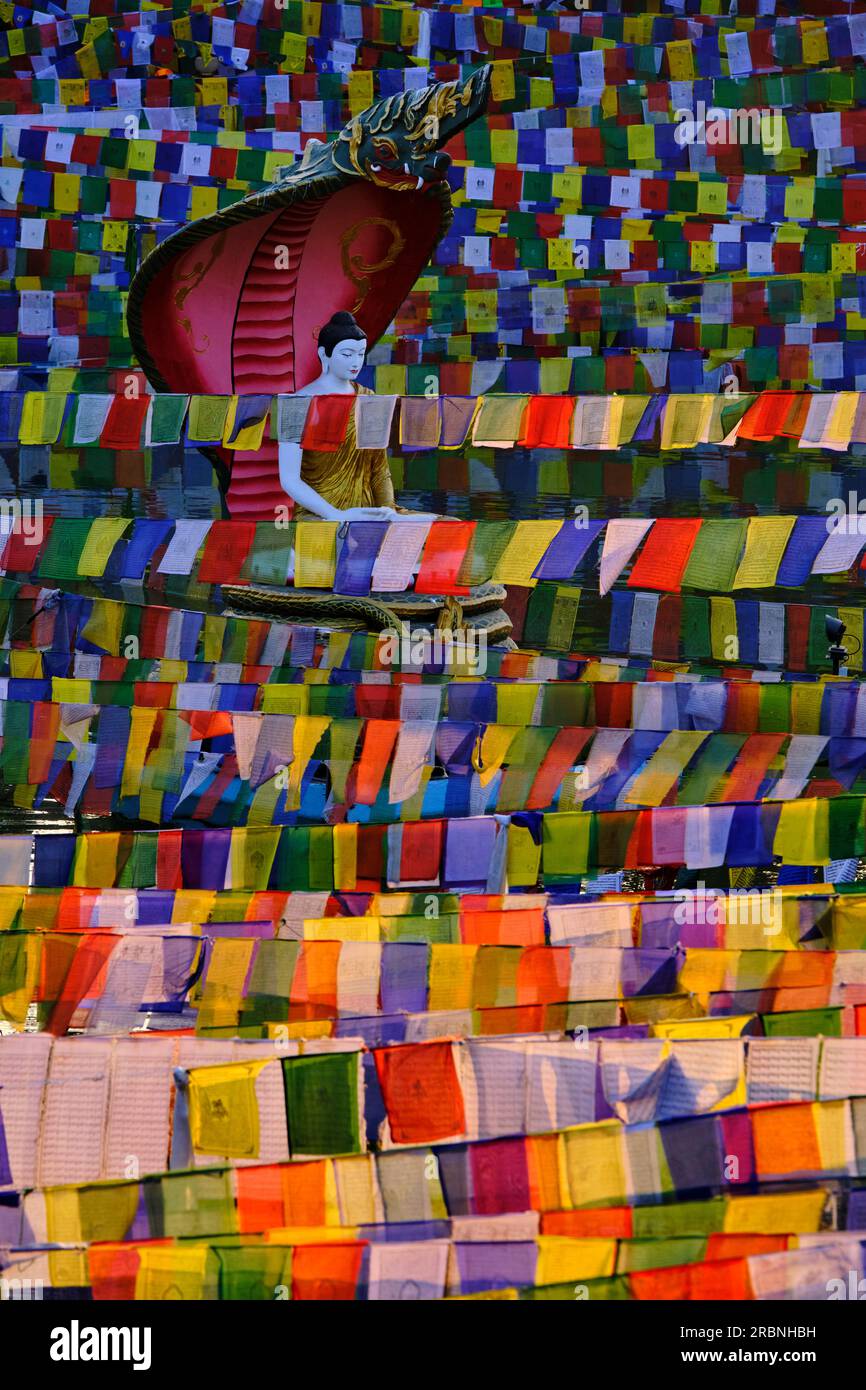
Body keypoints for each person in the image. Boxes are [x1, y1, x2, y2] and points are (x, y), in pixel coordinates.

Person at [278, 311, 436, 522]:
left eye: (360, 354)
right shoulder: (295, 404)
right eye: (347, 354)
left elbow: (379, 467)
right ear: (324, 354)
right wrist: (336, 515)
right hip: (319, 514)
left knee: (450, 527)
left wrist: (388, 511)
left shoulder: (368, 398)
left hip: (368, 509)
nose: (356, 362)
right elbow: (289, 480)